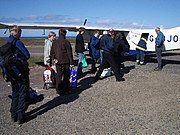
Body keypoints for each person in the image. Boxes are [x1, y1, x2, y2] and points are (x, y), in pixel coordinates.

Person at [7, 26, 30, 124]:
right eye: (20, 32)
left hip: (11, 72)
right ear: (17, 33)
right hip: (20, 72)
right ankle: (21, 116)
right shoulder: (18, 43)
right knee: (22, 93)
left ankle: (13, 114)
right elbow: (27, 55)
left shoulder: (7, 43)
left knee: (15, 93)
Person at [50, 28, 74, 95]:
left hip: (58, 62)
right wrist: (71, 62)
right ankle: (66, 90)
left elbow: (52, 52)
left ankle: (59, 90)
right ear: (65, 34)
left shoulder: (55, 42)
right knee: (66, 77)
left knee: (58, 76)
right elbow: (69, 53)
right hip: (65, 61)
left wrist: (54, 58)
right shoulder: (67, 42)